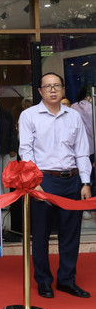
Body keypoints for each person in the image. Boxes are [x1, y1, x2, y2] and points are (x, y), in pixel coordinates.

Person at [18, 72, 92, 299]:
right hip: (43, 180)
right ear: (40, 91)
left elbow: (82, 151)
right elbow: (25, 152)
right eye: (47, 86)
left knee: (71, 234)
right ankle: (44, 281)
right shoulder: (29, 115)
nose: (52, 90)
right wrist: (33, 182)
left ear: (62, 90)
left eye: (56, 86)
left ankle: (67, 280)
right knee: (40, 234)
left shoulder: (74, 116)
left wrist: (85, 182)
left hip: (72, 180)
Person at [70, 87, 94, 220]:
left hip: (80, 150)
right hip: (90, 148)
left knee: (86, 178)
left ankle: (87, 209)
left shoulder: (73, 107)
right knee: (90, 179)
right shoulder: (90, 107)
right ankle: (88, 207)